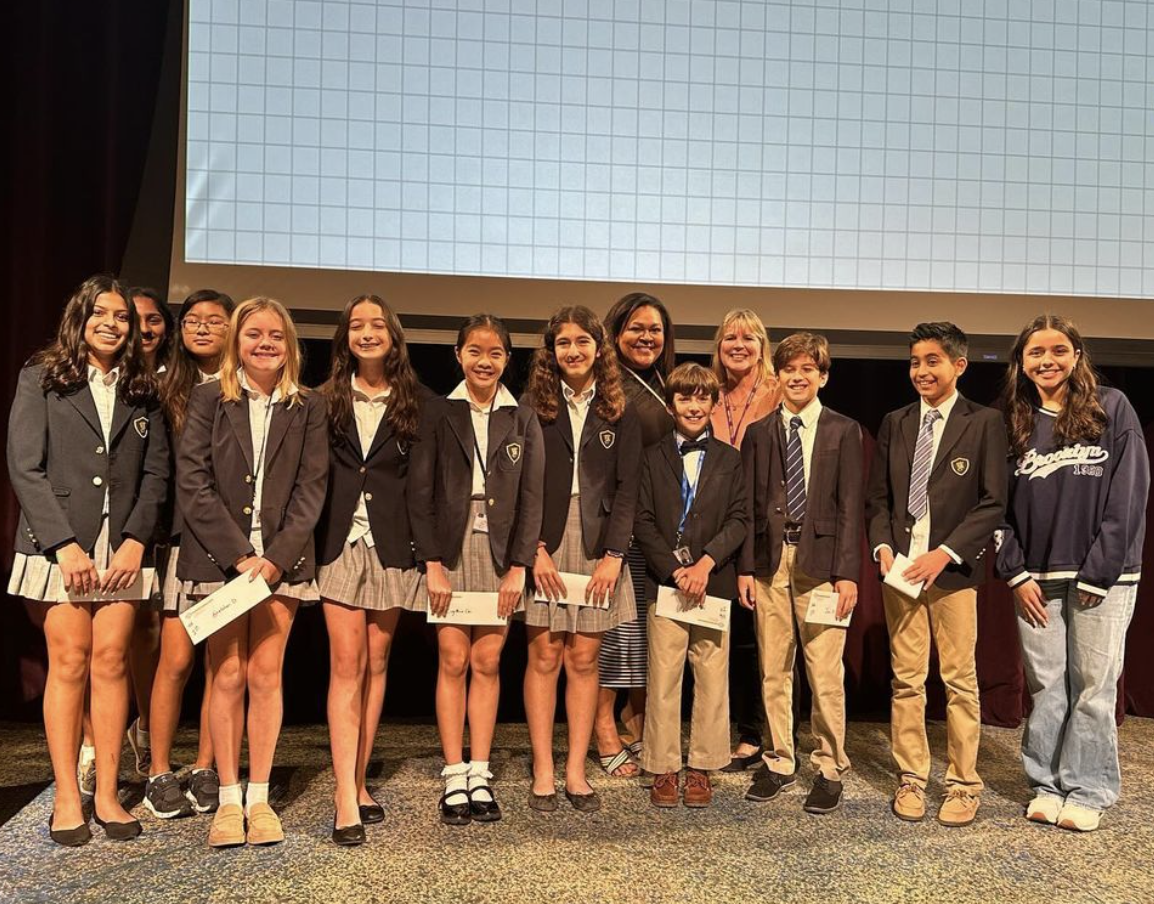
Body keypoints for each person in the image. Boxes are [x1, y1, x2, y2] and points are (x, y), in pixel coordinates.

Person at [7, 275, 169, 845]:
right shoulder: (42, 377)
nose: (112, 323)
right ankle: (68, 798)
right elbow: (25, 467)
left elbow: (156, 474)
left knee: (111, 663)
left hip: (121, 552)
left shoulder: (142, 386)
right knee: (70, 663)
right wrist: (64, 545)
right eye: (101, 313)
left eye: (122, 316)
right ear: (80, 316)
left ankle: (106, 793)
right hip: (61, 549)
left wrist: (133, 540)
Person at [176, 297, 328, 848]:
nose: (265, 344)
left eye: (276, 336)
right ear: (236, 341)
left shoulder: (307, 406)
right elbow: (192, 481)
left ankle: (260, 799)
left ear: (289, 345)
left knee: (266, 676)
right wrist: (240, 556)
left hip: (280, 565)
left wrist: (275, 558)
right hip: (221, 562)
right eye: (253, 334)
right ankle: (228, 799)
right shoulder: (206, 399)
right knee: (228, 674)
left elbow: (313, 488)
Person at [997, 314, 1149, 832]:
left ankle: (1088, 789)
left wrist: (1098, 571)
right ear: (1022, 362)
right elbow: (997, 509)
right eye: (1035, 352)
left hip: (1101, 580)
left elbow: (1128, 498)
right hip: (1036, 580)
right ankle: (1045, 783)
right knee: (1047, 686)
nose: (1047, 361)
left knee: (1093, 687)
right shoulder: (1012, 421)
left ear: (1077, 355)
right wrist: (1015, 574)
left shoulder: (1112, 408)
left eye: (1058, 350)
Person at [865, 322, 1008, 827]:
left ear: (959, 365)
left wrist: (944, 553)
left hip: (952, 573)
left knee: (959, 681)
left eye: (932, 361)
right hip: (901, 572)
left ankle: (965, 783)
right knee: (906, 680)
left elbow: (993, 504)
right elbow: (877, 498)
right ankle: (912, 777)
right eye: (914, 361)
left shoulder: (985, 422)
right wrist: (883, 547)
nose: (921, 370)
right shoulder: (896, 421)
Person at [409, 314, 544, 826]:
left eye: (495, 353)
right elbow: (419, 494)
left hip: (502, 552)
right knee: (452, 658)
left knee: (488, 660)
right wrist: (433, 564)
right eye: (475, 351)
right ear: (458, 355)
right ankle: (453, 772)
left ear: (507, 359)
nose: (484, 361)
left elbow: (532, 499)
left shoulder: (523, 417)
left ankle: (480, 770)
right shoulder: (438, 412)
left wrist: (518, 568)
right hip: (451, 547)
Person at [315, 295, 429, 845]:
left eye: (376, 324)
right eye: (356, 324)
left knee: (377, 662)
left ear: (393, 335)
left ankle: (360, 781)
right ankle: (343, 796)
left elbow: (424, 486)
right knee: (347, 661)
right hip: (337, 543)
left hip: (390, 546)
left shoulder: (418, 402)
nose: (366, 333)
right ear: (345, 337)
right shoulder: (320, 399)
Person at [737, 332, 863, 813]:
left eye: (807, 369)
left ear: (822, 376)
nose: (797, 377)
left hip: (824, 568)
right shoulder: (759, 432)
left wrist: (848, 572)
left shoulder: (842, 430)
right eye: (789, 369)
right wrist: (746, 568)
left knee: (825, 673)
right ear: (779, 375)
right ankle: (779, 760)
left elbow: (851, 506)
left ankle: (830, 766)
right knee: (773, 669)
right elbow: (748, 507)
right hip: (771, 565)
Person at [522, 306, 642, 813]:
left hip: (599, 546)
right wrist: (534, 550)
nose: (573, 351)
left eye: (582, 341)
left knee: (585, 658)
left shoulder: (621, 408)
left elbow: (629, 487)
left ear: (599, 347)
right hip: (545, 544)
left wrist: (614, 556)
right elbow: (520, 485)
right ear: (551, 350)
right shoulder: (530, 405)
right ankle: (544, 770)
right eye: (563, 342)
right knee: (545, 655)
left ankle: (575, 770)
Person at [634, 363, 749, 808]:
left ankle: (703, 765)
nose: (694, 405)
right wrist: (674, 569)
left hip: (712, 582)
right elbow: (641, 521)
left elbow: (740, 518)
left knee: (711, 676)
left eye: (702, 397)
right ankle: (663, 767)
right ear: (671, 405)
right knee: (662, 677)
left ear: (713, 404)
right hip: (667, 583)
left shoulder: (730, 458)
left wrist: (704, 563)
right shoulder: (651, 457)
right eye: (685, 398)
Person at [142, 289, 234, 821]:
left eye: (214, 321)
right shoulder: (161, 389)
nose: (201, 328)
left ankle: (205, 765)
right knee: (175, 658)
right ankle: (158, 769)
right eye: (192, 320)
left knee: (220, 660)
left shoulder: (243, 389)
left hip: (236, 545)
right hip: (182, 538)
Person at [594, 292, 676, 778]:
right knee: (616, 634)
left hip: (658, 530)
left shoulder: (666, 382)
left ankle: (638, 717)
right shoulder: (609, 387)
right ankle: (603, 728)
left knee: (647, 633)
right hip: (618, 528)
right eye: (636, 328)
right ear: (614, 333)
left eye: (656, 329)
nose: (647, 337)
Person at [709, 308, 781, 772]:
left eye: (749, 337)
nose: (739, 344)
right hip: (713, 531)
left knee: (763, 639)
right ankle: (723, 728)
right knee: (723, 637)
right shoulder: (706, 396)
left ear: (762, 347)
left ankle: (762, 732)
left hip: (764, 529)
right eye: (729, 337)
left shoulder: (780, 393)